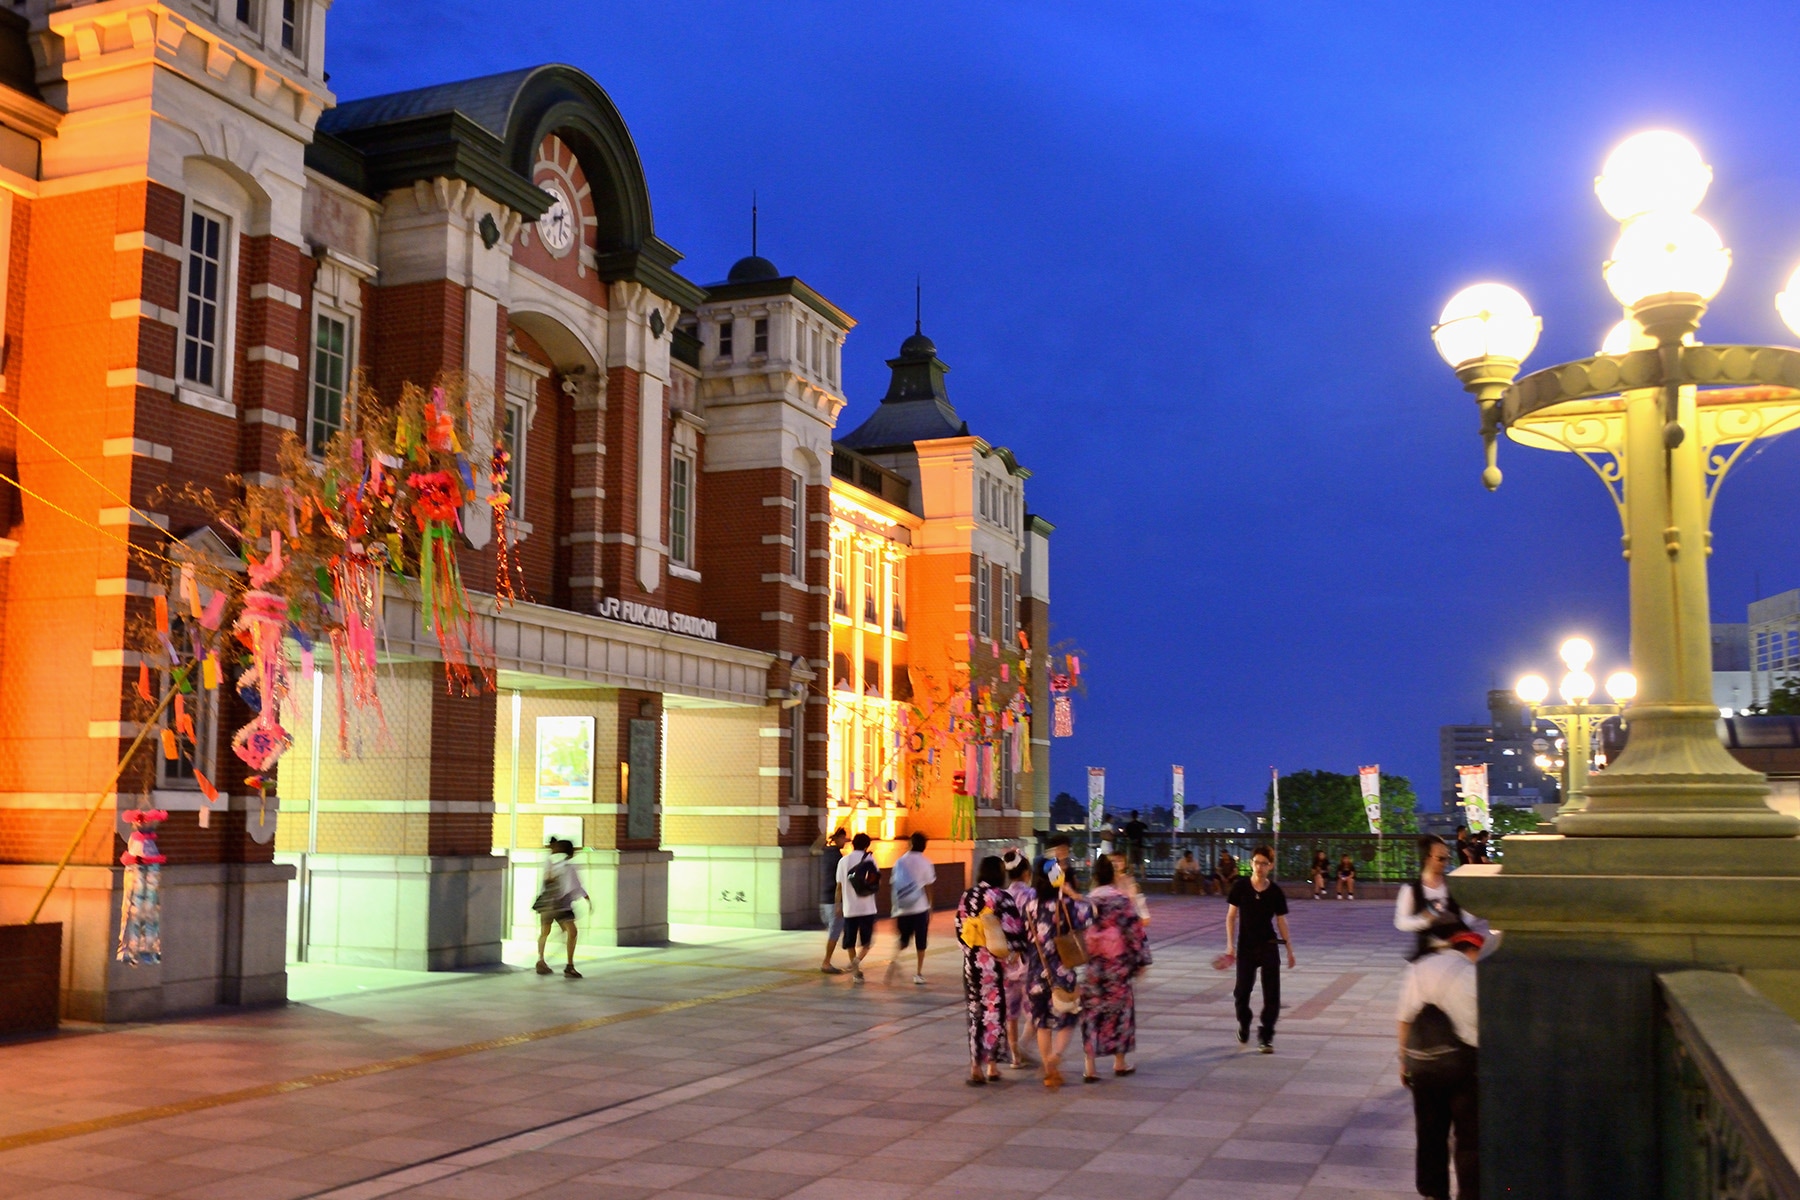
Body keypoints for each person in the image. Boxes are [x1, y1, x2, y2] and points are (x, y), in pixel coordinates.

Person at [1398, 929, 1484, 1200]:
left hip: (1424, 1065)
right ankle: (1470, 1193)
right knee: (1469, 1136)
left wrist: (1404, 1061)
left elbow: (1404, 1018)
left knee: (1429, 1132)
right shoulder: (1474, 975)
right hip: (1464, 1066)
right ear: (1471, 949)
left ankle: (1433, 1192)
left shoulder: (1420, 967)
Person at [955, 855, 1027, 1085]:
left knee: (975, 1013)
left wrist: (969, 949)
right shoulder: (1002, 897)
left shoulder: (968, 895)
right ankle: (993, 1067)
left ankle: (975, 1067)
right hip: (994, 964)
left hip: (972, 963)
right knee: (994, 1012)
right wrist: (1016, 952)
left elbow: (959, 927)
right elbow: (1014, 930)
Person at [1020, 855, 1091, 1089]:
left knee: (1042, 1022)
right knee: (1069, 1015)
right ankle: (1056, 1057)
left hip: (1036, 975)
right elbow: (1090, 914)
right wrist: (1072, 894)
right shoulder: (1065, 905)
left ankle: (1048, 1068)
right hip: (1062, 972)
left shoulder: (1028, 906)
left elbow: (1023, 938)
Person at [1080, 854, 1152, 1081]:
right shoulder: (1121, 901)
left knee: (1092, 1012)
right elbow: (1135, 931)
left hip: (1093, 966)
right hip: (1117, 964)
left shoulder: (1087, 901)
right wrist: (1141, 960)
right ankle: (1119, 1062)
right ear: (1112, 875)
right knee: (1120, 1011)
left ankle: (1089, 1067)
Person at [1221, 844, 1294, 1053]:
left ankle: (1266, 1036)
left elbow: (1281, 921)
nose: (1259, 867)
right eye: (1256, 862)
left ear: (1270, 866)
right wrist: (1229, 945)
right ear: (1251, 863)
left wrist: (1289, 948)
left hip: (1269, 946)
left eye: (1264, 863)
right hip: (1246, 947)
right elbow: (1231, 916)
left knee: (1272, 994)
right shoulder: (1241, 886)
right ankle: (1244, 1024)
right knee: (1241, 992)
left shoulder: (1275, 891)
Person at [1396, 835, 1471, 960]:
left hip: (1458, 953)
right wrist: (1426, 920)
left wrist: (1456, 919)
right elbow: (1401, 922)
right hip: (1427, 956)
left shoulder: (1454, 886)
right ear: (1426, 858)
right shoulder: (1411, 889)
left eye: (1448, 858)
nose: (1446, 863)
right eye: (1441, 859)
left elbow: (1470, 914)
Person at [1001, 849, 1038, 1068]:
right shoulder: (1031, 895)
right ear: (1026, 872)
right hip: (1028, 957)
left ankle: (1015, 1055)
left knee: (1010, 1011)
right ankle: (1024, 1044)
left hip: (1007, 959)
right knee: (1034, 1007)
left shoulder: (1001, 895)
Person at [886, 831, 937, 985]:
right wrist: (930, 906)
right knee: (921, 942)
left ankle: (894, 960)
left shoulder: (899, 862)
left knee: (903, 940)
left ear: (910, 844)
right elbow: (929, 886)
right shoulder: (926, 862)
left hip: (902, 908)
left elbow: (894, 885)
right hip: (919, 908)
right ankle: (918, 973)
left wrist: (894, 907)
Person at [534, 838, 588, 978]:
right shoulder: (569, 866)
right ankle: (569, 966)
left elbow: (545, 883)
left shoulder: (549, 862)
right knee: (572, 932)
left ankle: (541, 960)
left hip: (546, 903)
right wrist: (587, 898)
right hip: (561, 905)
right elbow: (575, 886)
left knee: (545, 932)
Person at [835, 832, 880, 982]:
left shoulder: (843, 861)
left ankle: (856, 973)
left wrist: (837, 905)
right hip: (867, 908)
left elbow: (839, 887)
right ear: (867, 845)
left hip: (850, 908)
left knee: (850, 941)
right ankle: (857, 962)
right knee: (867, 942)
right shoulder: (870, 859)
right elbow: (876, 882)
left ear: (852, 844)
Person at [818, 827, 849, 974]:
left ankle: (827, 961)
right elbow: (840, 883)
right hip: (833, 899)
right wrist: (839, 904)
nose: (845, 841)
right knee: (834, 932)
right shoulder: (838, 857)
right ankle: (826, 962)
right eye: (843, 838)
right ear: (838, 838)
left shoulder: (825, 853)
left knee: (833, 931)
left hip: (824, 897)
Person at [1122, 810, 1148, 874]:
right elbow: (1146, 827)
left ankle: (1131, 876)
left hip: (1132, 844)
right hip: (1140, 844)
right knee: (1141, 862)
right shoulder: (1140, 824)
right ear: (1137, 816)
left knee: (1131, 862)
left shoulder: (1129, 825)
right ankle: (1143, 877)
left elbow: (1125, 833)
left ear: (1131, 816)